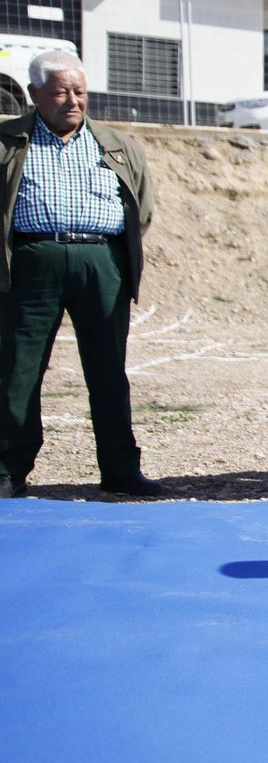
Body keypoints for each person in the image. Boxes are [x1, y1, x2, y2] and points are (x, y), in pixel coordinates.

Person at [0, 50, 161, 499]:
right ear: (34, 95)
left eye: (79, 91)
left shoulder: (117, 143)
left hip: (101, 261)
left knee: (108, 371)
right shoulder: (7, 141)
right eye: (59, 92)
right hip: (32, 261)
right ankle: (8, 469)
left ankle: (121, 470)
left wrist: (111, 252)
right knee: (18, 370)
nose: (72, 100)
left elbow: (141, 207)